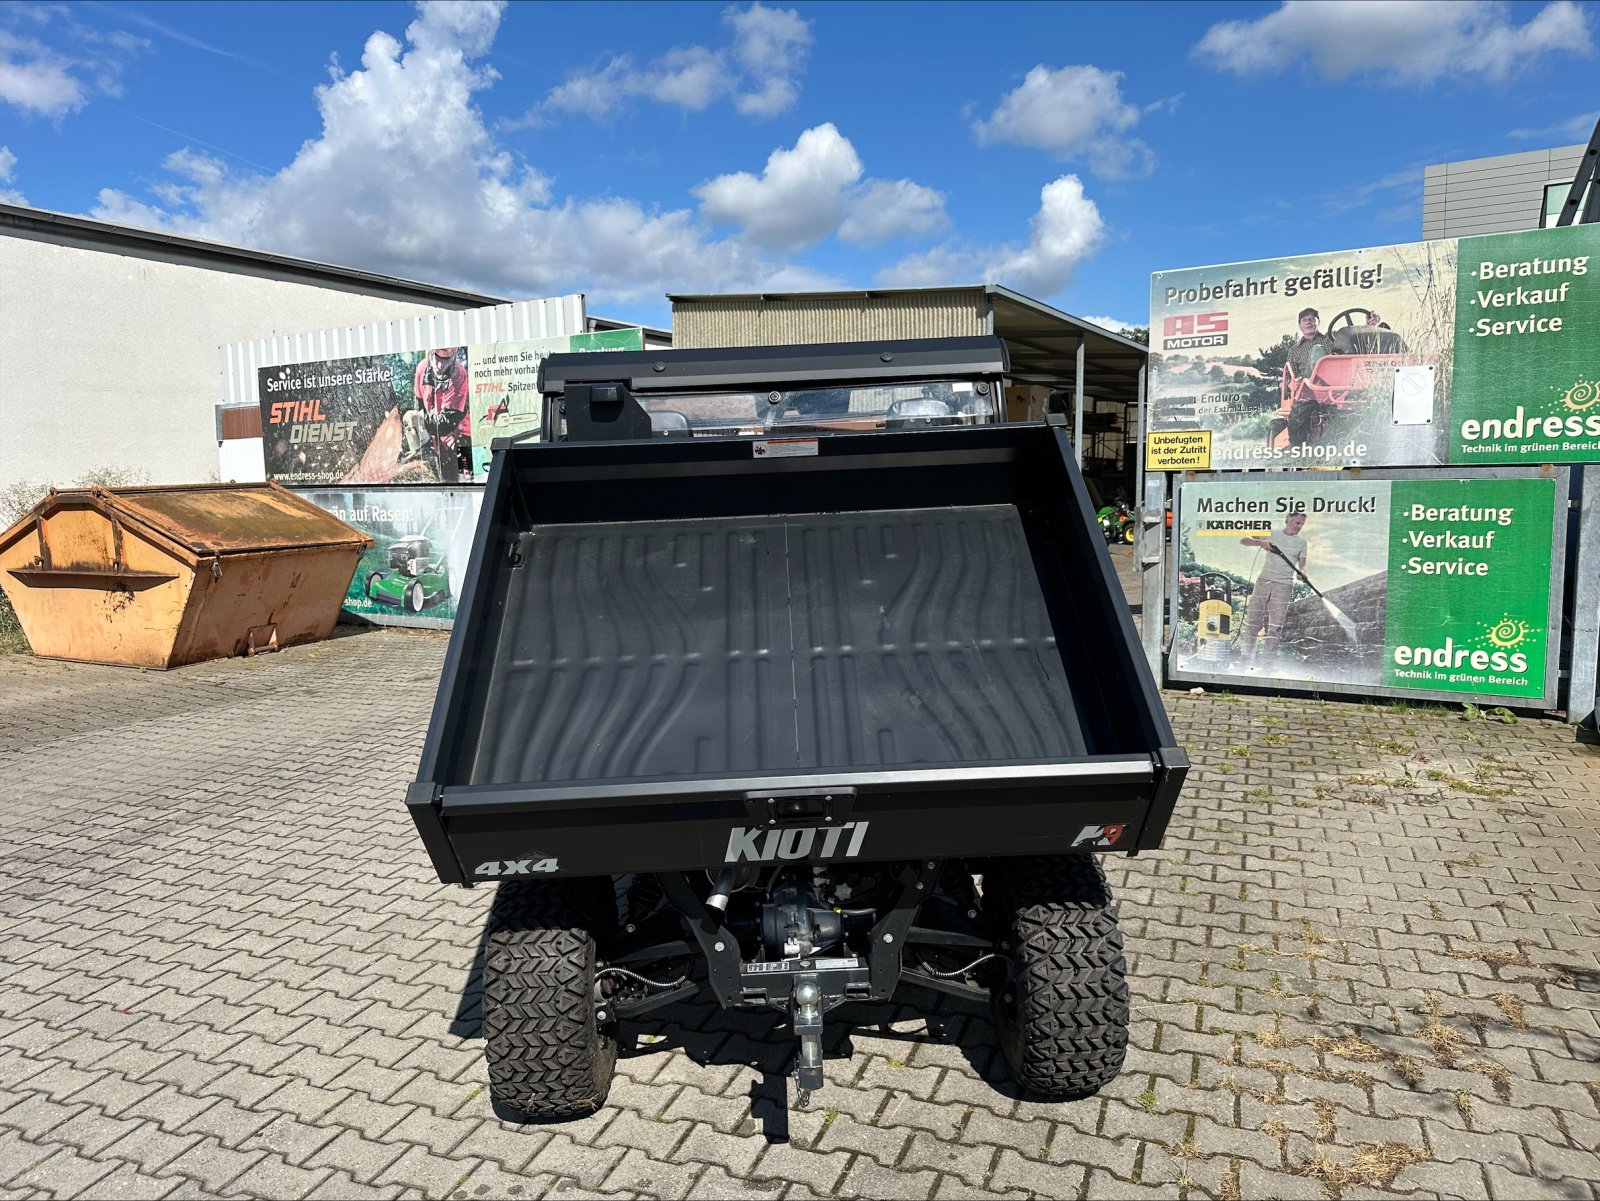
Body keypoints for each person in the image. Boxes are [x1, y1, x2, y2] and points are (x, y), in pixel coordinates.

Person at [1238, 512, 1308, 665]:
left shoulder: (1302, 543)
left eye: (1302, 524)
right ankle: (1246, 659)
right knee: (1253, 621)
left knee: (1276, 626)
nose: (1299, 526)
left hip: (1284, 585)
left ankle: (1267, 663)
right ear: (1288, 520)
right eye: (1297, 522)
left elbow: (1302, 566)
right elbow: (1243, 540)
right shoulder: (1271, 534)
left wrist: (1302, 573)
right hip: (1264, 581)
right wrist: (1261, 543)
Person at [406, 347, 471, 482]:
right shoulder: (422, 369)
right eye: (438, 359)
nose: (441, 365)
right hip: (437, 437)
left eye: (447, 360)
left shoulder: (459, 374)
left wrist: (422, 420)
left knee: (467, 482)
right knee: (442, 483)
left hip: (462, 435)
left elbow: (449, 421)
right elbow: (420, 405)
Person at [1286, 308, 1336, 446]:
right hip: (1307, 388)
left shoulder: (1331, 340)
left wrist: (1370, 325)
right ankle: (1297, 447)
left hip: (1333, 385)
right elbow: (1291, 374)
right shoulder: (1294, 350)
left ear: (1318, 322)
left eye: (1312, 319)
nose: (1309, 322)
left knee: (1319, 349)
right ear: (1300, 325)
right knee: (1317, 350)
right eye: (1305, 320)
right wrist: (1291, 383)